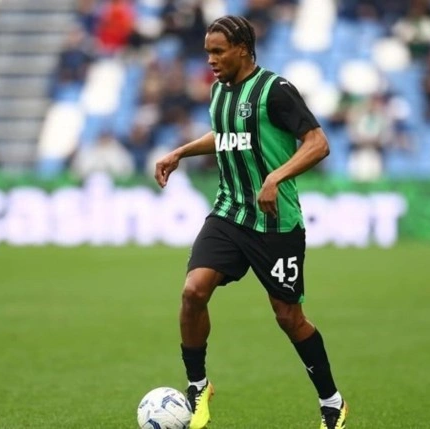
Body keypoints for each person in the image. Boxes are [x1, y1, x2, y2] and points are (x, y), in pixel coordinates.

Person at [153, 15, 348, 429]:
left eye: (218, 51)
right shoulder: (218, 91)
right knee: (193, 291)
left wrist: (275, 177)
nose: (210, 60)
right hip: (229, 213)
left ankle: (332, 401)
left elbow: (318, 143)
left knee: (288, 317)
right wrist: (180, 151)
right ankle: (198, 385)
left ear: (242, 49)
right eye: (207, 52)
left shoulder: (275, 91)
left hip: (275, 224)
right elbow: (225, 134)